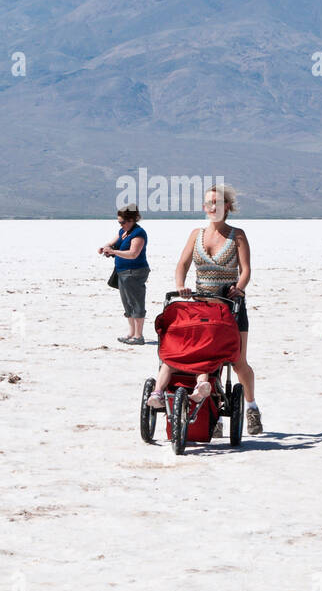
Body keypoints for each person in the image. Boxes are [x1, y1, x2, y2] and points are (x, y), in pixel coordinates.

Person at [148, 184, 261, 435]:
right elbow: (183, 264)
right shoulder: (196, 234)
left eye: (217, 203)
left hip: (230, 306)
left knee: (238, 361)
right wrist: (180, 286)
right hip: (201, 307)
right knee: (207, 359)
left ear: (227, 207)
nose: (212, 207)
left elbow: (246, 270)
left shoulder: (237, 235)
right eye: (208, 203)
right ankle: (214, 414)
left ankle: (251, 408)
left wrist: (239, 288)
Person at [99, 208, 149, 345]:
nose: (120, 225)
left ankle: (139, 336)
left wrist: (114, 251)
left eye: (122, 222)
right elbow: (112, 243)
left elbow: (133, 254)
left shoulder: (138, 233)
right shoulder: (123, 232)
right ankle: (131, 333)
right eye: (119, 222)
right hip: (122, 271)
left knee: (136, 303)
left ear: (131, 220)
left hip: (135, 272)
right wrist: (105, 248)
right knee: (127, 303)